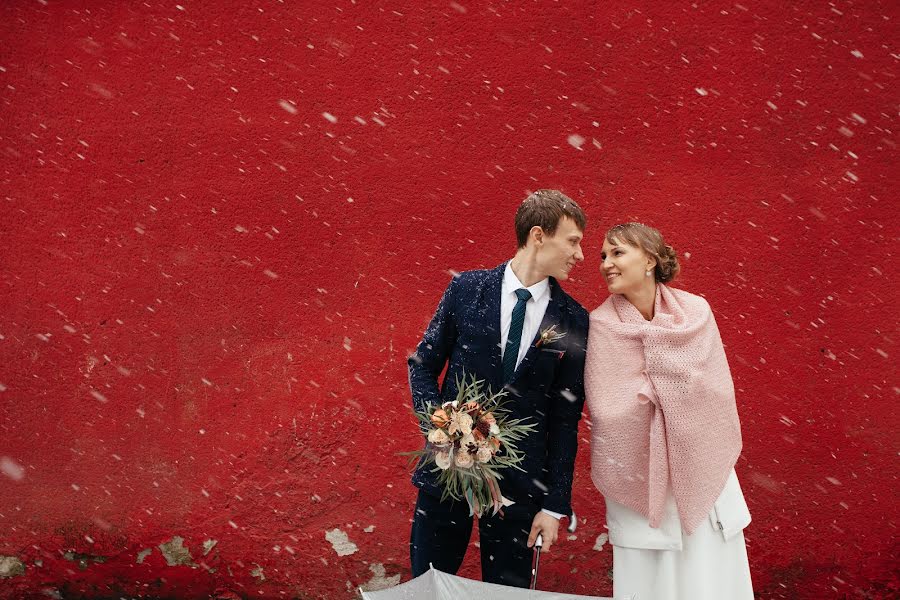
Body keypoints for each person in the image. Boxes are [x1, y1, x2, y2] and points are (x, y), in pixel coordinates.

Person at [408, 190, 590, 587]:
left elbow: (565, 418)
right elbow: (422, 366)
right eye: (573, 241)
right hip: (446, 473)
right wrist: (440, 426)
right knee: (426, 588)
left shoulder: (574, 319)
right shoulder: (467, 290)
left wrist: (555, 504)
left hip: (522, 486)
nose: (580, 255)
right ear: (539, 235)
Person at [584, 222, 753, 600]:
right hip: (639, 472)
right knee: (653, 582)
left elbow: (716, 393)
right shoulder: (602, 324)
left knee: (711, 576)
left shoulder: (695, 312)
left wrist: (659, 390)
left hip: (701, 464)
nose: (606, 263)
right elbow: (608, 408)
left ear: (649, 259)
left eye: (617, 253)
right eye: (602, 256)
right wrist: (668, 390)